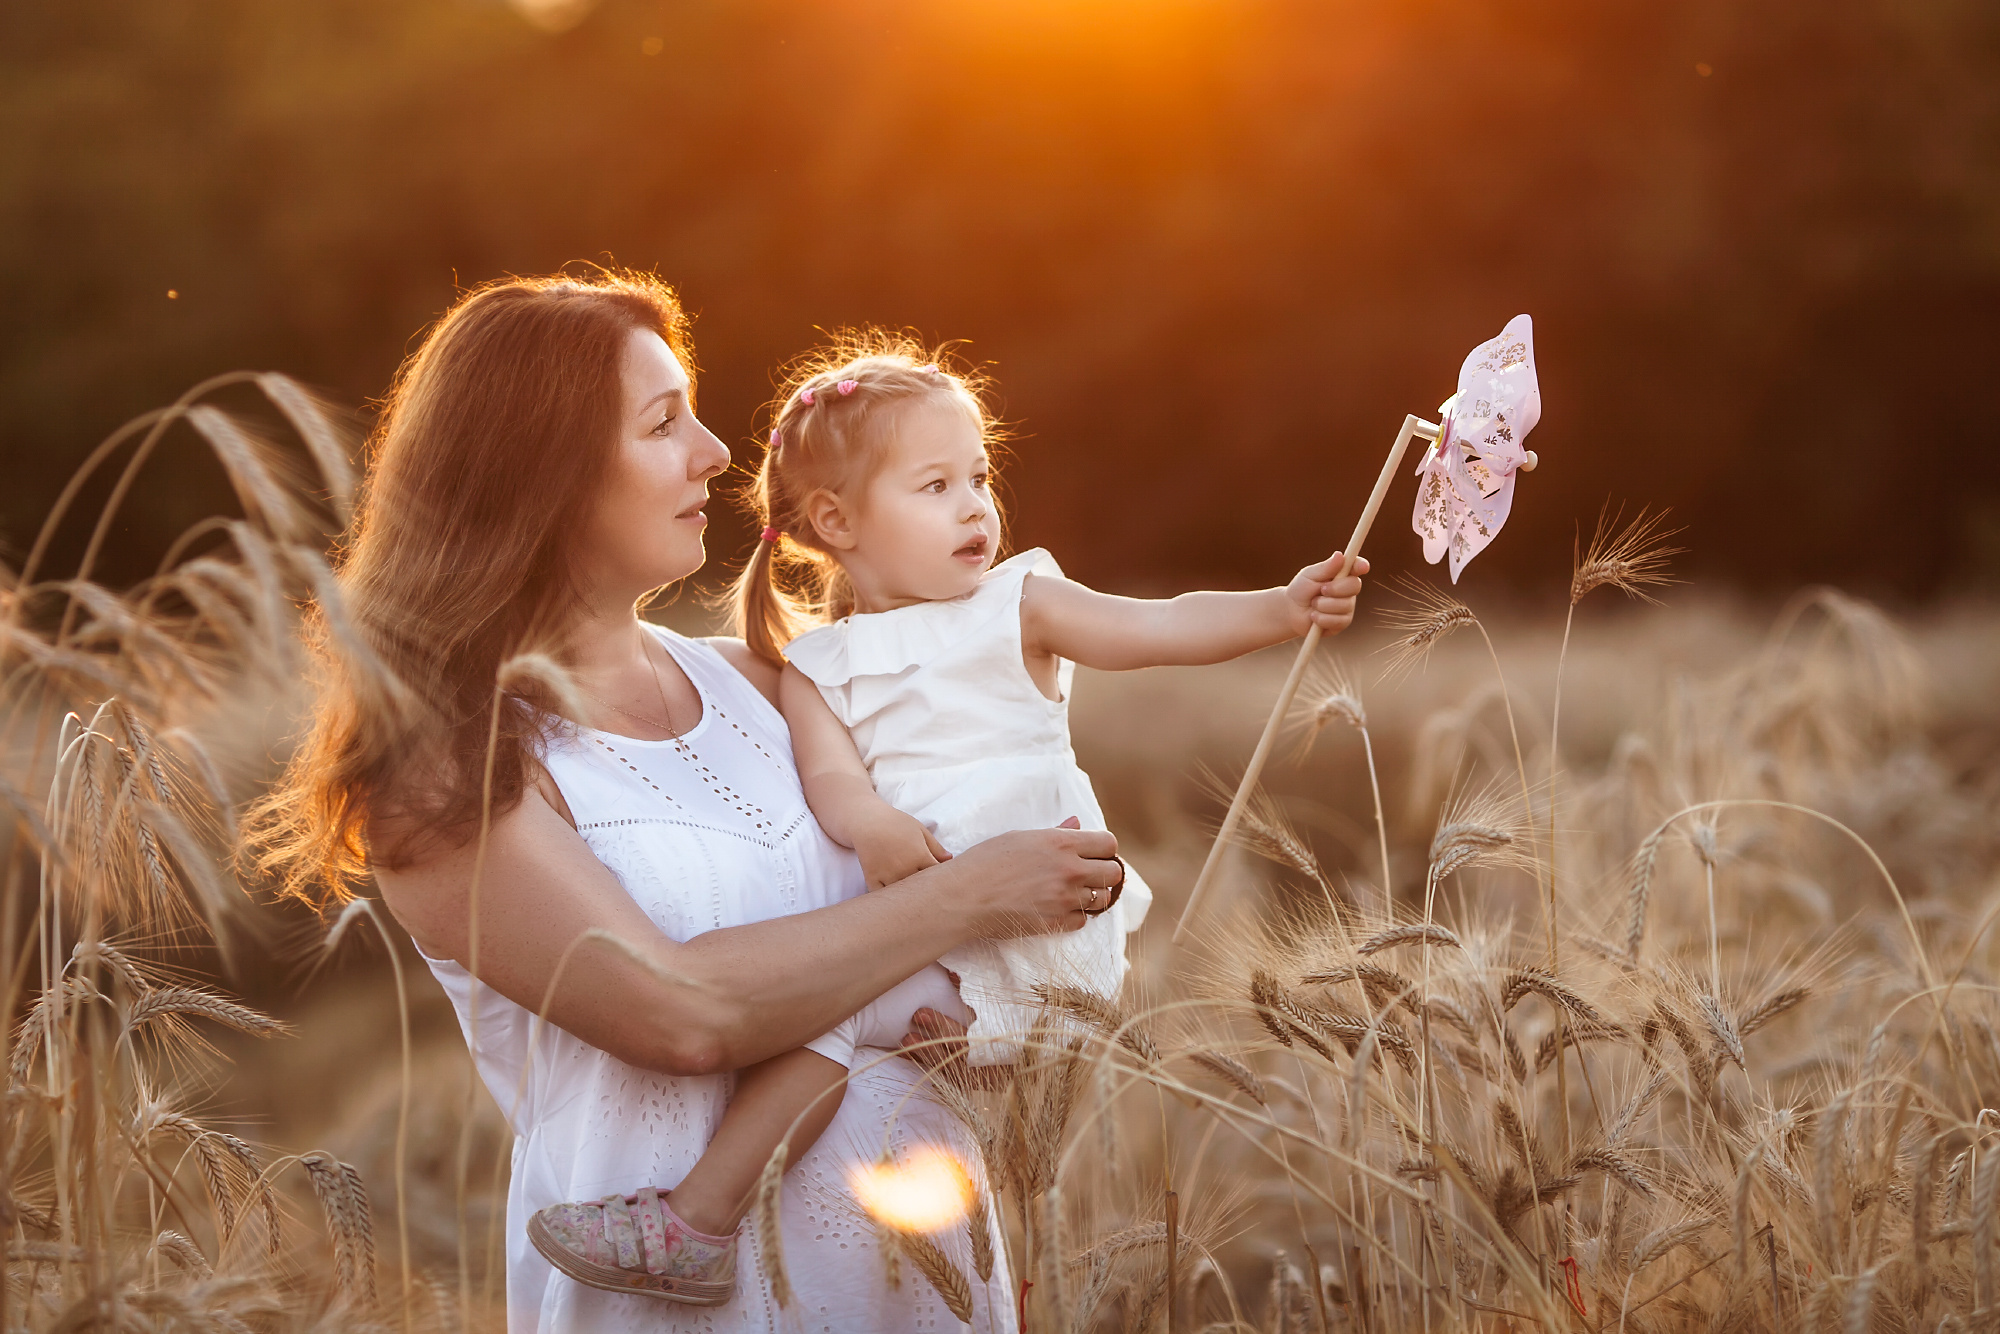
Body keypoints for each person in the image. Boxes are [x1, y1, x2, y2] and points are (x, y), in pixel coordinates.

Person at [251, 272, 1127, 1331]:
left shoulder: (774, 684)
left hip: (920, 1286)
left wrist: (979, 1013)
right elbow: (681, 1014)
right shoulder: (445, 774)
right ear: (542, 469)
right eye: (664, 423)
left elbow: (968, 823)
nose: (715, 453)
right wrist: (971, 897)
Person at [526, 332, 1370, 1302]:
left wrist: (1282, 608)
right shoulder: (819, 665)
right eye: (935, 486)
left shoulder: (1018, 606)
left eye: (978, 477)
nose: (974, 505)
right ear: (836, 520)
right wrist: (872, 825)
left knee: (825, 1011)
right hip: (929, 930)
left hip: (1036, 921)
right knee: (834, 1017)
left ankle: (695, 1220)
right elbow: (832, 780)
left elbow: (1157, 623)